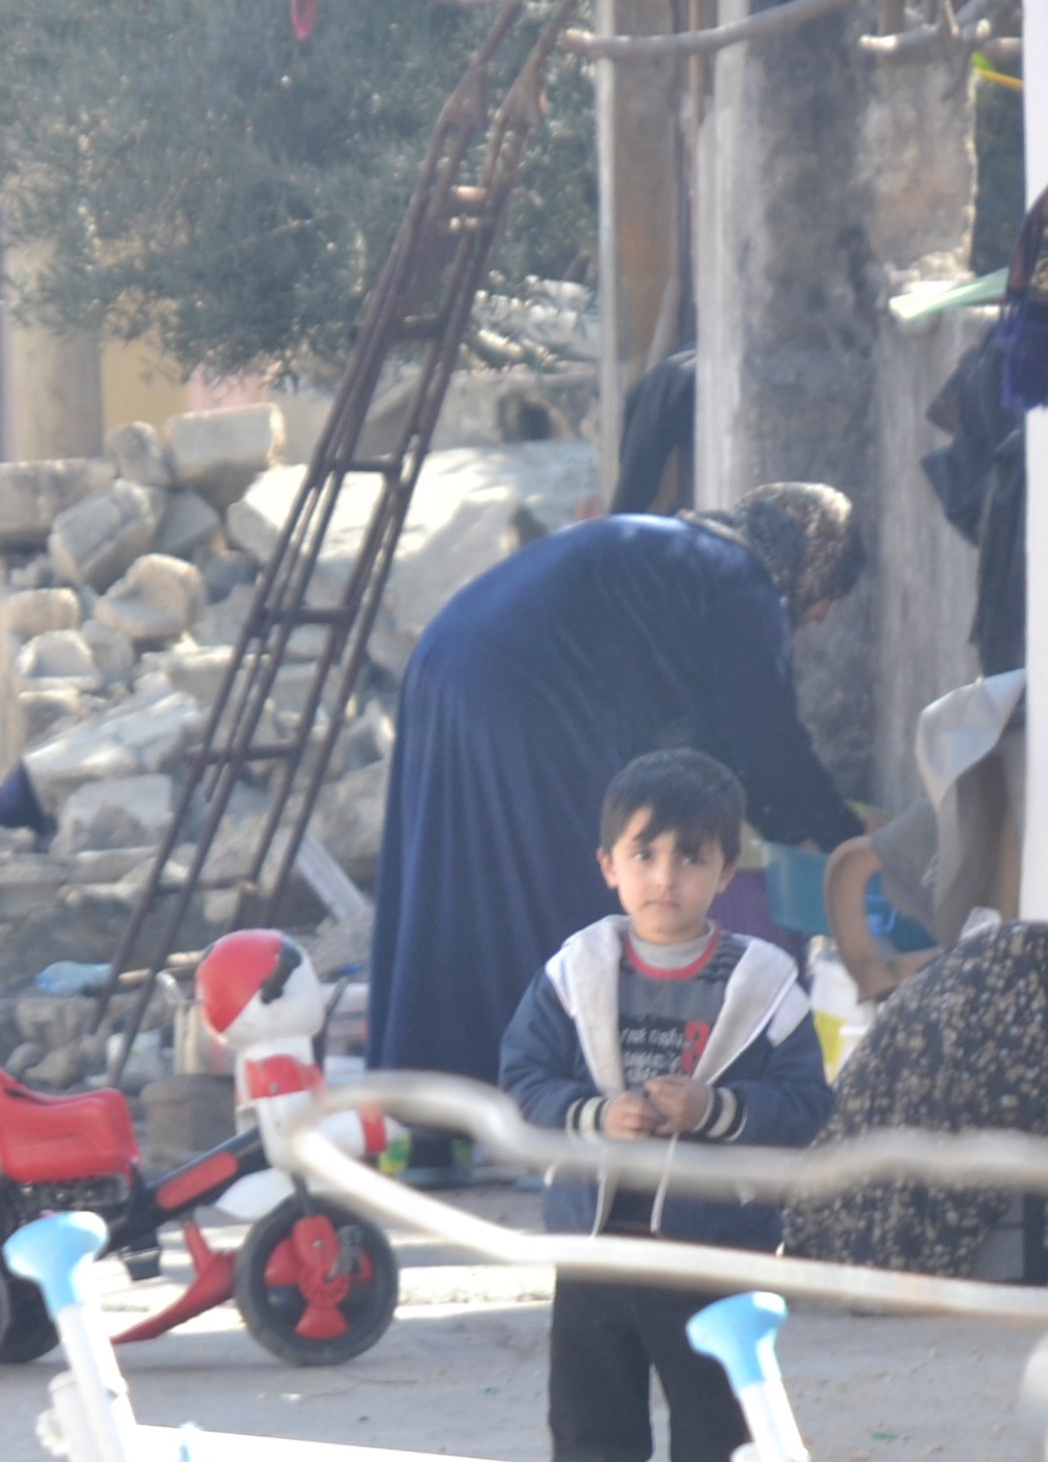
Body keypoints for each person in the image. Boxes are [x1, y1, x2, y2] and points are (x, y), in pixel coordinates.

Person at [367, 483, 864, 1152]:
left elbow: (707, 733)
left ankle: (434, 1120)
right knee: (571, 889)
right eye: (828, 592)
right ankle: (559, 1113)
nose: (822, 615)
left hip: (444, 662)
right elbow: (768, 748)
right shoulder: (744, 582)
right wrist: (848, 846)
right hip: (519, 686)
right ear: (812, 561)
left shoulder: (683, 552)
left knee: (458, 886)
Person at [495, 750, 835, 1462]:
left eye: (692, 856)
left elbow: (805, 1105)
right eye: (644, 854)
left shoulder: (761, 981)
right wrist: (594, 1116)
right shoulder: (575, 975)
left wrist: (713, 1111)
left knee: (716, 1438)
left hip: (711, 1256)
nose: (666, 877)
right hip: (598, 1252)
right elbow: (523, 1079)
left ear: (725, 871)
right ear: (608, 866)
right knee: (589, 1437)